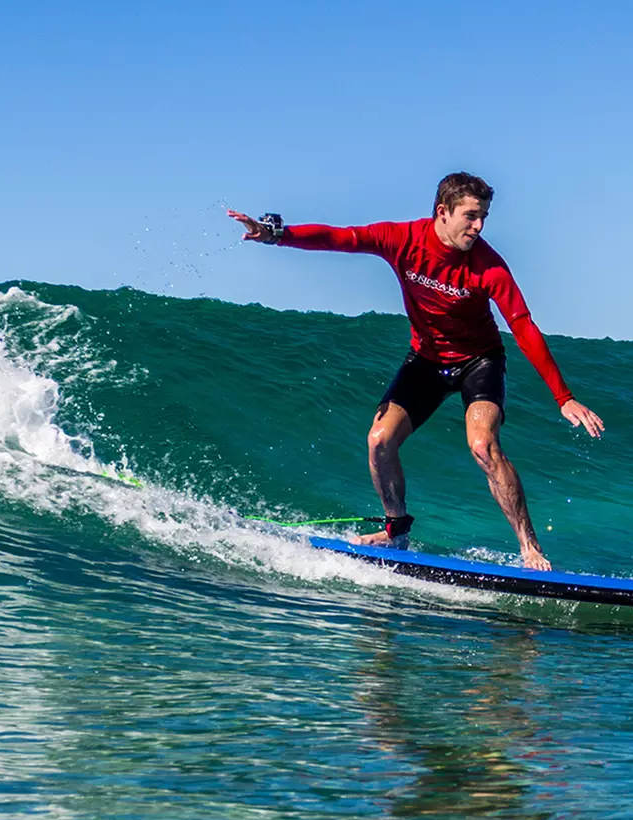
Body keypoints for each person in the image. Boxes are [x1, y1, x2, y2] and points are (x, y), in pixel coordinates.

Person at [230, 172, 603, 569]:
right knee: (379, 440)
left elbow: (522, 324)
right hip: (427, 359)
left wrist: (563, 397)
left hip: (480, 361)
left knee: (483, 445)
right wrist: (278, 235)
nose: (479, 227)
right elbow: (342, 238)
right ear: (443, 212)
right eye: (471, 216)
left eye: (484, 218)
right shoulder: (402, 239)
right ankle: (396, 531)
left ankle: (529, 547)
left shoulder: (488, 267)